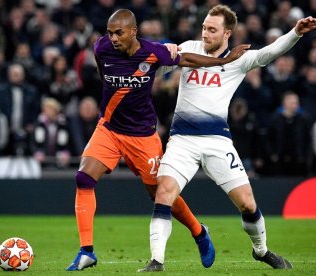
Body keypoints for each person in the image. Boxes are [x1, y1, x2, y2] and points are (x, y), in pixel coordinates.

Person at [139, 5, 316, 272]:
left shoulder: (239, 59)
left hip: (217, 142)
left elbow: (270, 52)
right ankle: (157, 261)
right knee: (164, 193)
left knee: (247, 203)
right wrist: (147, 66)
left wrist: (295, 32)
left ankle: (261, 251)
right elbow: (157, 64)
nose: (205, 34)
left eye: (212, 30)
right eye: (203, 28)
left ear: (227, 33)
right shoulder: (190, 48)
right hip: (182, 141)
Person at [66, 9, 249, 271]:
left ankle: (199, 232)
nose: (113, 38)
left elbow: (186, 59)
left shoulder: (154, 52)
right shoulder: (101, 48)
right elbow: (102, 73)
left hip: (142, 136)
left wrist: (225, 60)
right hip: (109, 129)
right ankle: (87, 251)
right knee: (83, 178)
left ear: (133, 32)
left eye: (119, 33)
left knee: (160, 195)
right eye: (110, 33)